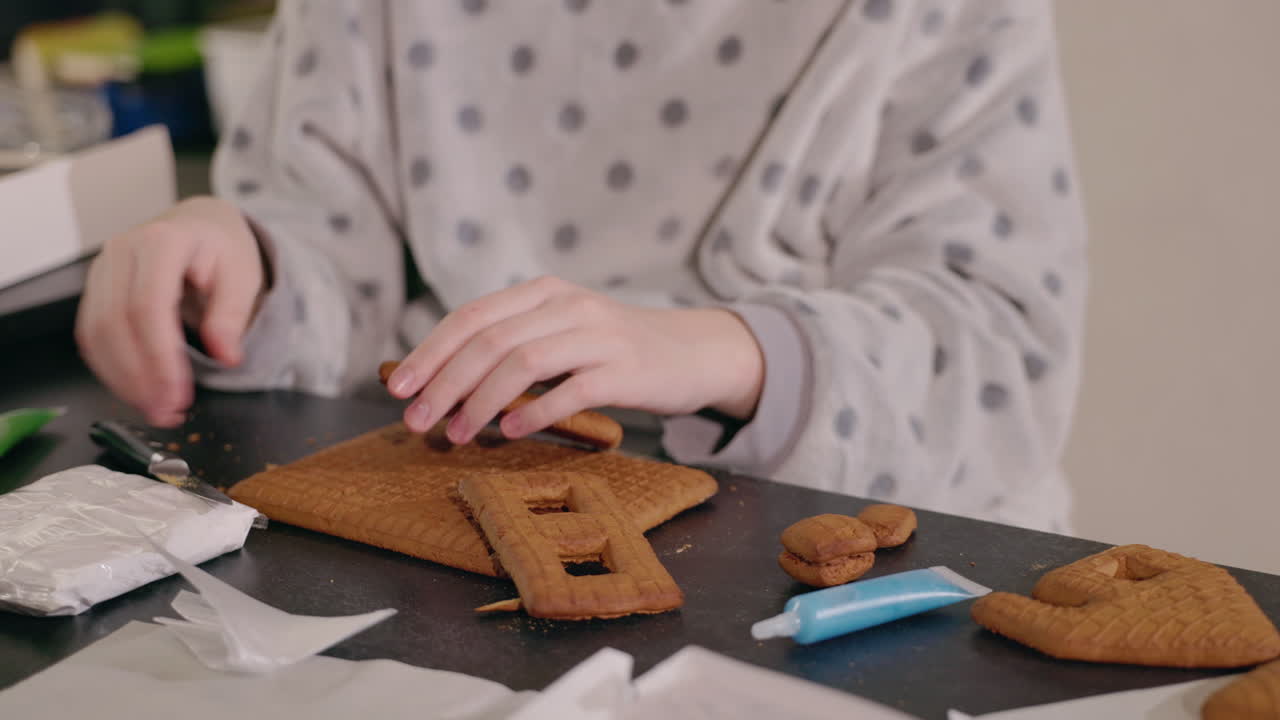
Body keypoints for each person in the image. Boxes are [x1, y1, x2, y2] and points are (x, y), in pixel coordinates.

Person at [74, 0, 1086, 532]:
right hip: (439, 514)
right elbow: (333, 269)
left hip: (834, 535)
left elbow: (997, 361)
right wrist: (244, 263)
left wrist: (722, 352)